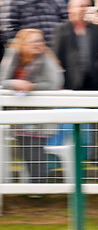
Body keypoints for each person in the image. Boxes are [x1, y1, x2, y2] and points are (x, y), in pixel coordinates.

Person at [0, 28, 64, 182]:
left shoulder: (46, 57)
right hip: (18, 115)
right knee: (27, 150)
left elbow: (54, 82)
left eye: (40, 41)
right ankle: (35, 183)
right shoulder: (13, 56)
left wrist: (32, 86)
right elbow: (3, 80)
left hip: (41, 116)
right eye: (34, 41)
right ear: (23, 43)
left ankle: (38, 184)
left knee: (35, 149)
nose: (38, 44)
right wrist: (16, 83)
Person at [51, 0, 98, 90]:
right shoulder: (61, 30)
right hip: (70, 81)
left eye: (87, 6)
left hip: (94, 81)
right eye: (81, 6)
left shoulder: (96, 29)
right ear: (70, 9)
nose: (84, 9)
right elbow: (57, 56)